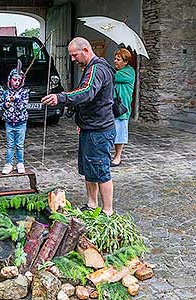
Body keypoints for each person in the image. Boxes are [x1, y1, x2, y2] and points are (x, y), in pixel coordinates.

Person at [41, 37, 116, 216]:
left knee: (101, 170)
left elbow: (87, 92)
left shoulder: (97, 69)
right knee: (89, 168)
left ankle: (107, 211)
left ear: (86, 50)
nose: (73, 60)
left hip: (99, 130)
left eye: (75, 55)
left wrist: (61, 97)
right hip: (90, 127)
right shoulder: (92, 67)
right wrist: (81, 121)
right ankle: (91, 204)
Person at [0, 61, 29, 174]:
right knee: (10, 144)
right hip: (9, 123)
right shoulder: (6, 93)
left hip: (21, 123)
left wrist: (16, 99)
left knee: (19, 145)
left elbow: (23, 106)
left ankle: (20, 163)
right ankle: (9, 163)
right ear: (10, 80)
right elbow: (0, 106)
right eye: (14, 80)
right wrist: (5, 105)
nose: (16, 82)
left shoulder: (24, 93)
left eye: (18, 80)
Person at [111, 48, 136, 167]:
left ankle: (118, 156)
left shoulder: (128, 72)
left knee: (119, 132)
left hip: (121, 108)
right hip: (112, 106)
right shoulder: (118, 71)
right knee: (112, 130)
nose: (115, 61)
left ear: (125, 62)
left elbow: (112, 77)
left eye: (118, 59)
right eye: (115, 59)